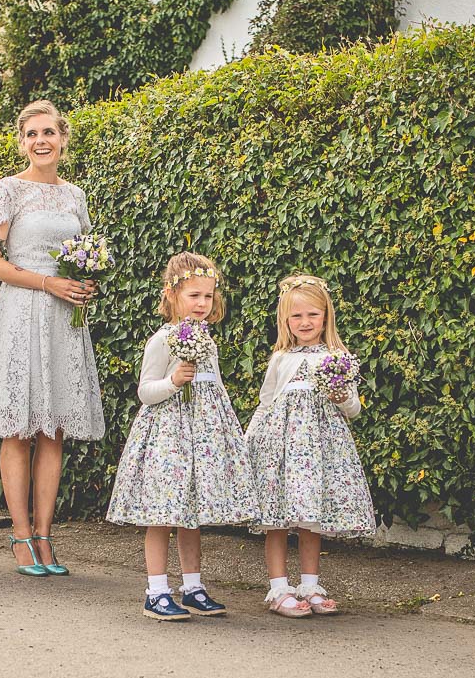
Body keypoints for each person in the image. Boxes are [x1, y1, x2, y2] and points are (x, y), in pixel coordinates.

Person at [0, 100, 104, 576]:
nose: (41, 141)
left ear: (63, 139)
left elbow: (83, 253)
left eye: (49, 132)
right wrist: (47, 282)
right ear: (21, 141)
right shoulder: (8, 190)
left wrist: (84, 281)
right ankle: (21, 536)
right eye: (31, 135)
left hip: (65, 316)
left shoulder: (75, 196)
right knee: (19, 429)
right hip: (23, 309)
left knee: (54, 430)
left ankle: (46, 537)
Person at [106, 253, 255, 619]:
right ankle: (156, 590)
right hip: (168, 437)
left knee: (193, 515)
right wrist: (174, 381)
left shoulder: (208, 340)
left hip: (203, 436)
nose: (202, 304)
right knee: (163, 515)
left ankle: (193, 587)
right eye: (194, 296)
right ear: (173, 294)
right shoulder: (162, 340)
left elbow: (215, 385)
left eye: (208, 296)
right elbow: (145, 391)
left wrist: (227, 430)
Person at [245, 274, 376, 617]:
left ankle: (309, 585)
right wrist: (248, 442)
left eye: (312, 315)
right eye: (297, 316)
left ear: (326, 316)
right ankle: (278, 589)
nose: (305, 323)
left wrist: (342, 395)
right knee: (275, 518)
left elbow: (354, 409)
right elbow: (266, 403)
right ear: (285, 320)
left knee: (309, 518)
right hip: (280, 449)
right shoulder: (280, 359)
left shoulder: (338, 357)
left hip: (319, 451)